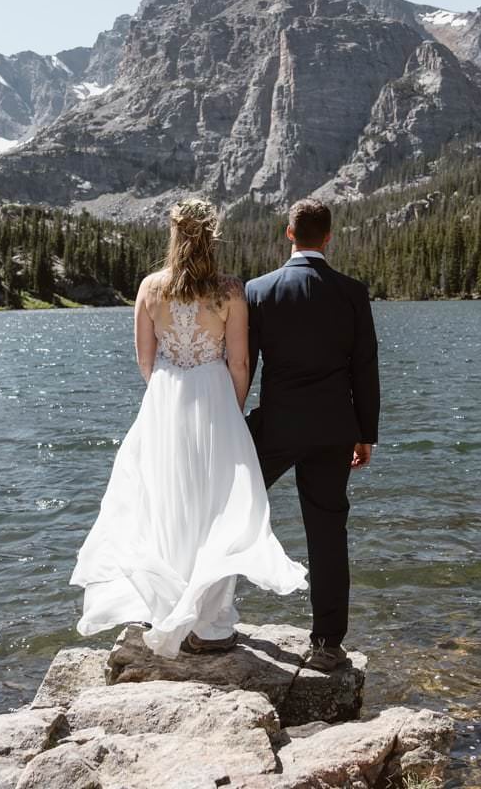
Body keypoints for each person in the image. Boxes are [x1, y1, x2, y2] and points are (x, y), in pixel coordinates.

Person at [71, 198, 306, 657]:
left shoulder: (150, 288)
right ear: (211, 236)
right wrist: (230, 408)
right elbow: (239, 362)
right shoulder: (229, 290)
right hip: (217, 399)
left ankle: (169, 607)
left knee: (163, 501)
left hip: (165, 400)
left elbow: (144, 359)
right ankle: (210, 625)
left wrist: (167, 393)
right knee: (219, 505)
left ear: (174, 235)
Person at [245, 197, 379, 672]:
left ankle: (205, 620)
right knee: (327, 533)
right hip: (333, 429)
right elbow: (364, 368)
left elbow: (243, 366)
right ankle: (327, 644)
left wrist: (229, 424)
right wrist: (365, 433)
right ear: (328, 237)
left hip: (275, 426)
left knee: (226, 506)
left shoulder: (259, 290)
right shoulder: (351, 292)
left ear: (289, 234)